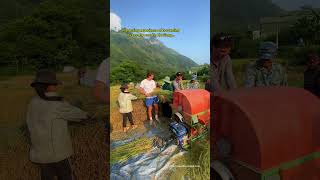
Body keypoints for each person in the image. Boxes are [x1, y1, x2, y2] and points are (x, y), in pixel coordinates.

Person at [26, 69, 88, 180]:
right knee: (66, 176)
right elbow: (79, 115)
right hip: (57, 153)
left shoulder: (33, 102)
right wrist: (88, 114)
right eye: (55, 84)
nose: (56, 86)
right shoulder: (57, 104)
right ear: (49, 86)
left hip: (40, 152)